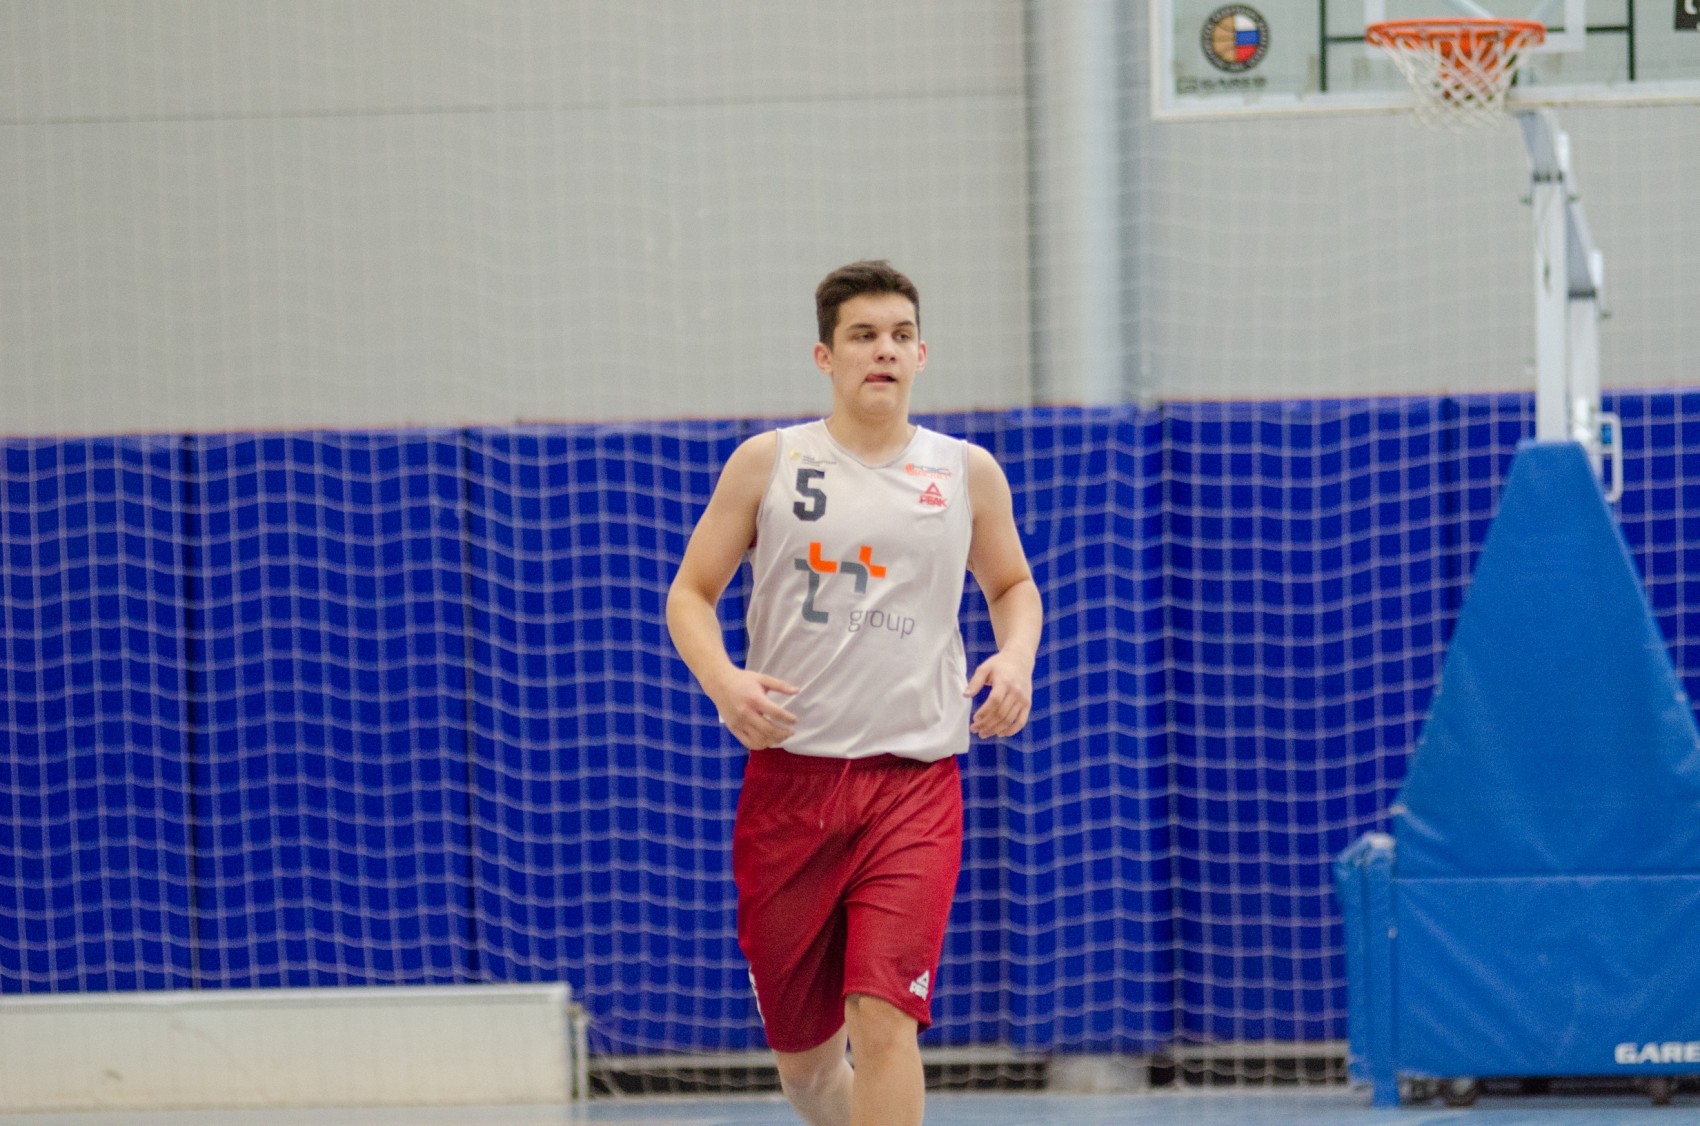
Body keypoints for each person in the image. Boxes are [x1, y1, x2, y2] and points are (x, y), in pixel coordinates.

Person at [666, 260, 1042, 1126]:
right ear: (825, 356)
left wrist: (1017, 658)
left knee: (883, 1020)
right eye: (864, 336)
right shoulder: (769, 462)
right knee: (807, 1070)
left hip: (913, 786)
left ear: (922, 354)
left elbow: (1013, 585)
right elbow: (690, 594)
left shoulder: (965, 471)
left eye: (901, 335)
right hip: (791, 787)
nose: (884, 350)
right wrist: (723, 681)